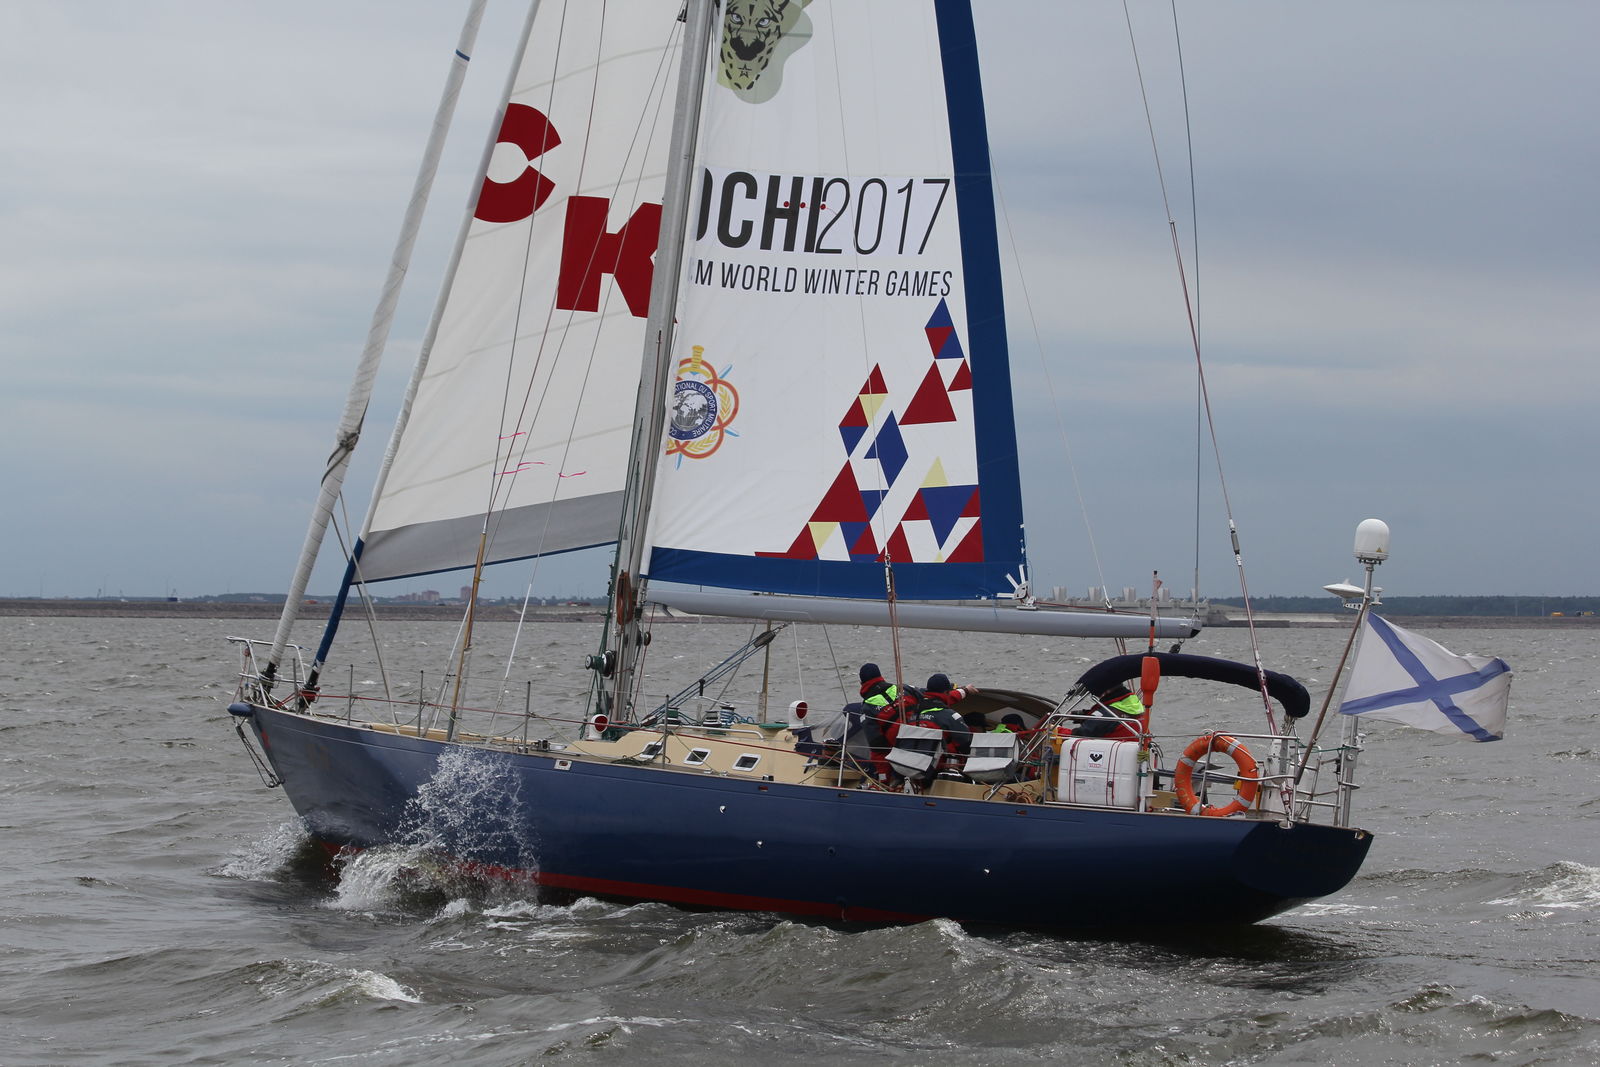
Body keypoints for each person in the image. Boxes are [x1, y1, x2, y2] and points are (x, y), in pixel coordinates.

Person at [1072, 684, 1146, 740]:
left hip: (1112, 753)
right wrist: (1086, 715)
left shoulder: (1108, 713)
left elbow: (1081, 734)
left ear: (1106, 691)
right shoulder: (1133, 704)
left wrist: (1063, 730)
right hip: (1139, 749)